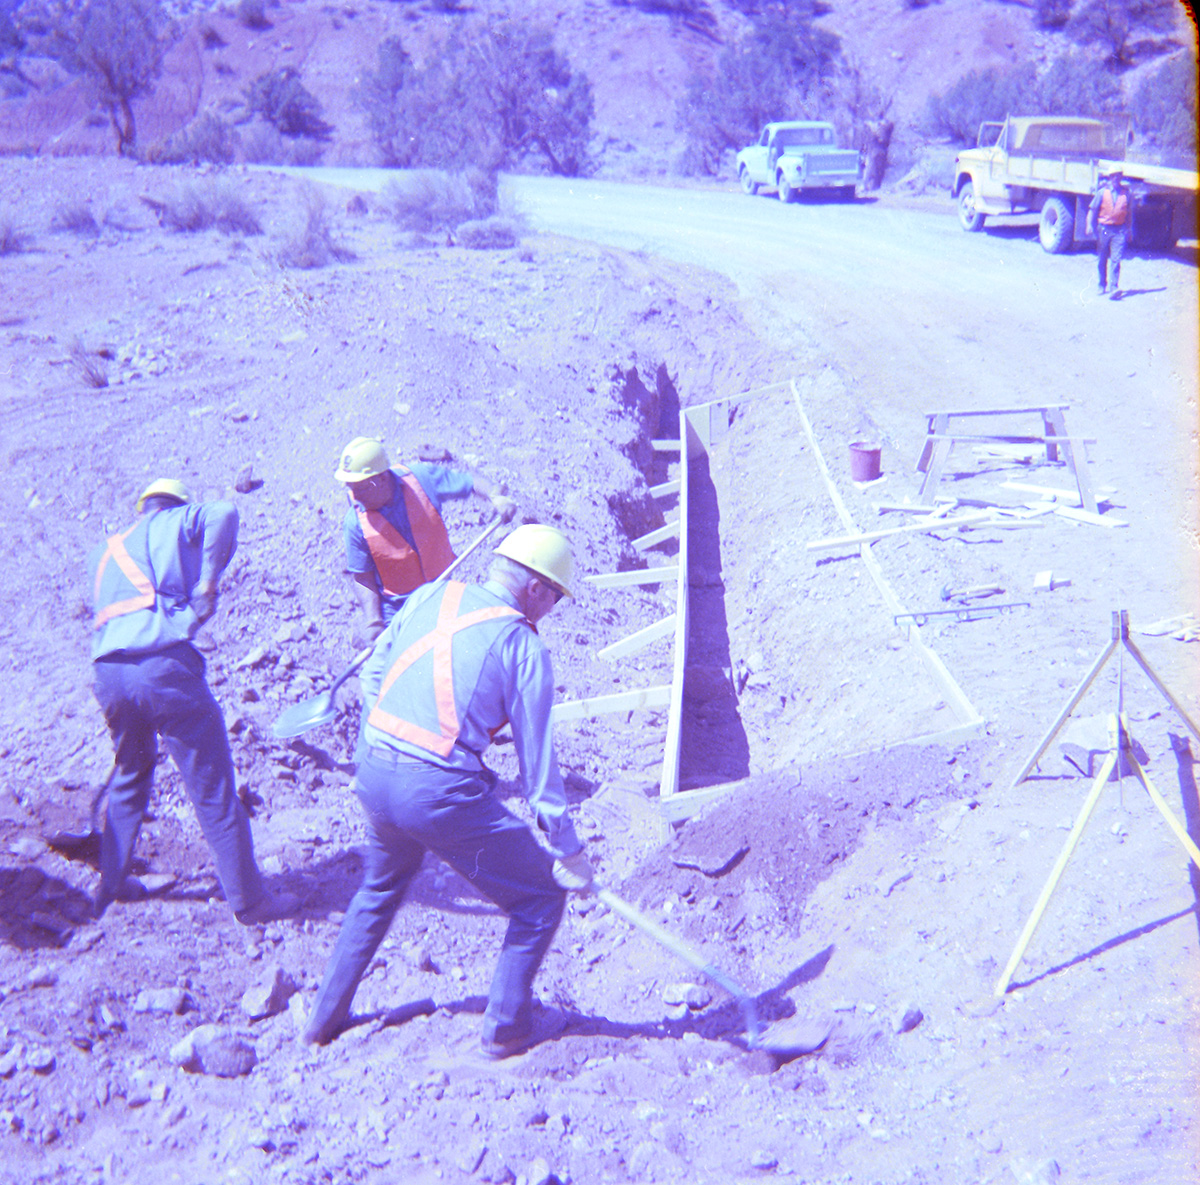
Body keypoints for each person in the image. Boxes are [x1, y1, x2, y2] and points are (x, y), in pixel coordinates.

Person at [301, 523, 594, 1057]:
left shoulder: (434, 591)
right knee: (539, 897)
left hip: (373, 769)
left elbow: (373, 672)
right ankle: (507, 1031)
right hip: (433, 792)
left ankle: (323, 1017)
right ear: (536, 589)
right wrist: (567, 849)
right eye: (555, 597)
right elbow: (538, 769)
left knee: (380, 887)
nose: (552, 609)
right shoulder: (524, 646)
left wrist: (383, 735)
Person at [89, 478, 297, 924]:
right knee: (212, 786)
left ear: (141, 505)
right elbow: (223, 512)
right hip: (162, 669)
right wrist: (206, 583)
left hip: (109, 673)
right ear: (173, 507)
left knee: (130, 772)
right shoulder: (173, 521)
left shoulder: (105, 552)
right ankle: (251, 902)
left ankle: (112, 884)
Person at [334, 436, 517, 643]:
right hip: (398, 612)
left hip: (443, 595)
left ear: (382, 478)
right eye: (350, 488)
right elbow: (363, 577)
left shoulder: (421, 480)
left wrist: (495, 495)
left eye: (360, 488)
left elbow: (471, 483)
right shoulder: (355, 523)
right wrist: (373, 621)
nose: (353, 496)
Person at [1086, 169, 1130, 299]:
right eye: (1114, 176)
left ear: (1121, 177)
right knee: (1102, 258)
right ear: (1110, 177)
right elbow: (1093, 209)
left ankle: (1113, 287)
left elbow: (1129, 213)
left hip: (1119, 230)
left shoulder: (1126, 194)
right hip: (1104, 229)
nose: (1116, 178)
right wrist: (1089, 225)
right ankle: (1101, 284)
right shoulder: (1102, 192)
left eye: (1118, 176)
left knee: (1116, 258)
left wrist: (1129, 229)